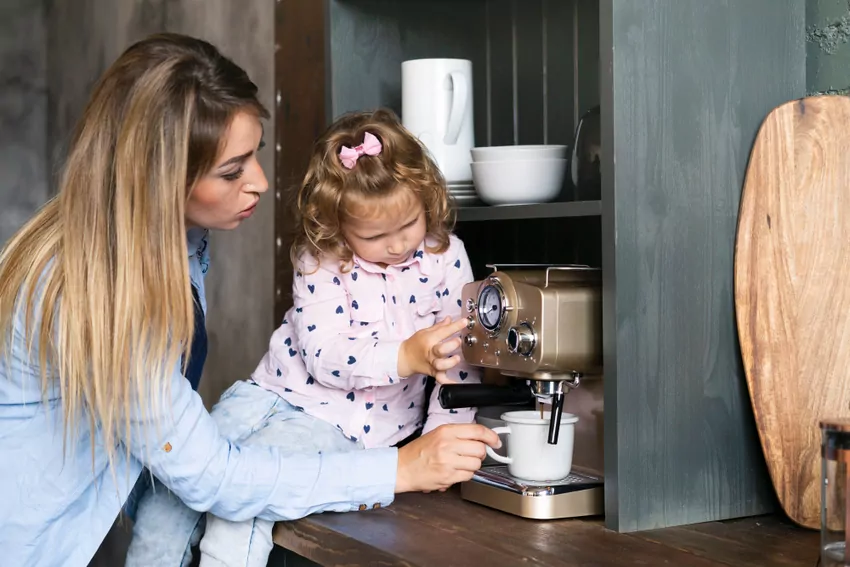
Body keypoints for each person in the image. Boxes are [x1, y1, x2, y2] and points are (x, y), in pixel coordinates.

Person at [0, 33, 500, 567]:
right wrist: (402, 469)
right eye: (232, 171)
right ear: (161, 180)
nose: (260, 182)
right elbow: (213, 475)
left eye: (255, 154)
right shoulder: (92, 292)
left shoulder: (174, 245)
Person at [128, 108, 483, 567]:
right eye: (375, 235)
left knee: (241, 512)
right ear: (338, 223)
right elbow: (324, 356)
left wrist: (441, 441)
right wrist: (405, 356)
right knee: (167, 495)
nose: (397, 245)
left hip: (333, 427)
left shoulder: (445, 256)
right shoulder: (321, 260)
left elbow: (462, 357)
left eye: (408, 226)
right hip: (264, 398)